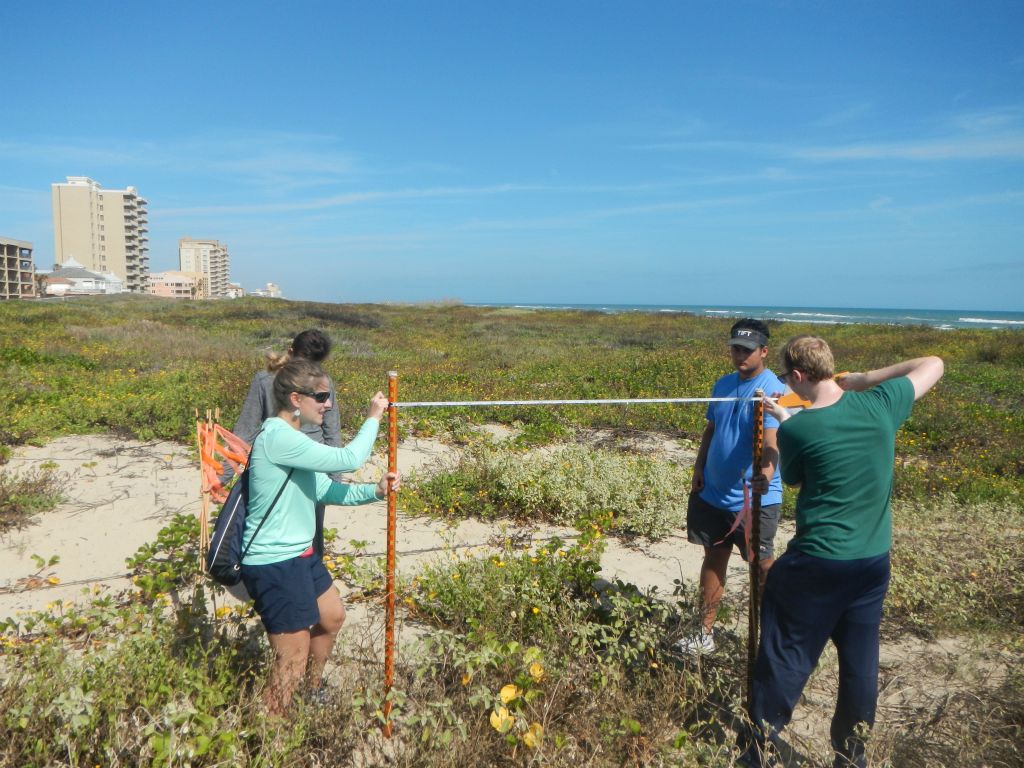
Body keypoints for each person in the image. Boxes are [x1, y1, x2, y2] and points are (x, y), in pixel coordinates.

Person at [740, 336, 943, 768]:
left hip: (817, 561)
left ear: (796, 376)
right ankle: (851, 757)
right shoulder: (882, 404)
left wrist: (786, 419)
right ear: (832, 366)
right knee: (859, 665)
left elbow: (793, 475)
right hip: (871, 563)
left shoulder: (799, 429)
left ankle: (757, 747)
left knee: (786, 656)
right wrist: (866, 380)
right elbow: (934, 363)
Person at [240, 358, 399, 715]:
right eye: (323, 397)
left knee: (331, 617)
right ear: (296, 399)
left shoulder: (293, 439)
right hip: (275, 561)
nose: (329, 404)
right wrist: (374, 415)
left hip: (301, 555)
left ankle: (310, 691)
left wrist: (374, 491)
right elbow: (350, 457)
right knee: (291, 658)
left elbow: (326, 490)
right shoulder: (277, 437)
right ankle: (272, 735)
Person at [675, 319, 784, 656]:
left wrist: (765, 475)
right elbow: (712, 428)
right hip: (714, 493)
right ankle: (704, 632)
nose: (740, 355)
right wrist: (698, 467)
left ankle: (774, 637)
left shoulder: (773, 390)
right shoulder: (722, 383)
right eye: (736, 348)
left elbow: (771, 442)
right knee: (714, 557)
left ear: (764, 351)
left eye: (747, 350)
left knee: (762, 564)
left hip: (753, 500)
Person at [233, 329, 342, 557]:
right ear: (290, 353)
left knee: (311, 535)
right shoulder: (265, 381)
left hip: (313, 469)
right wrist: (221, 475)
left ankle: (311, 578)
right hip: (277, 470)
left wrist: (334, 480)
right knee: (276, 528)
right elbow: (246, 429)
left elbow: (332, 430)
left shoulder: (323, 383)